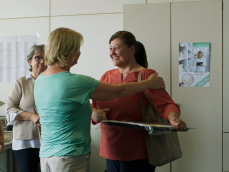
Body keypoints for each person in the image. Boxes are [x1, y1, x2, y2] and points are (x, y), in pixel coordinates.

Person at [34, 27, 165, 172]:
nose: (79, 53)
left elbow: (63, 109)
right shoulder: (75, 82)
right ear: (69, 50)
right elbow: (119, 91)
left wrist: (92, 112)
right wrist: (150, 83)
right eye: (77, 48)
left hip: (46, 156)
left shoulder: (41, 79)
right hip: (69, 156)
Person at [91, 31, 187, 172]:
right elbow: (94, 107)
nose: (112, 52)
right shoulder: (106, 76)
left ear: (132, 49)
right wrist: (95, 114)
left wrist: (174, 119)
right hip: (110, 148)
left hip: (137, 152)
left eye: (117, 48)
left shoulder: (147, 76)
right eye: (110, 49)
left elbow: (166, 104)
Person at [5, 44, 47, 172]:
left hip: (48, 139)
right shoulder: (21, 82)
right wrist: (31, 116)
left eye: (46, 58)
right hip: (25, 142)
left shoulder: (51, 82)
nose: (42, 61)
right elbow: (9, 109)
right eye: (38, 58)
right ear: (30, 61)